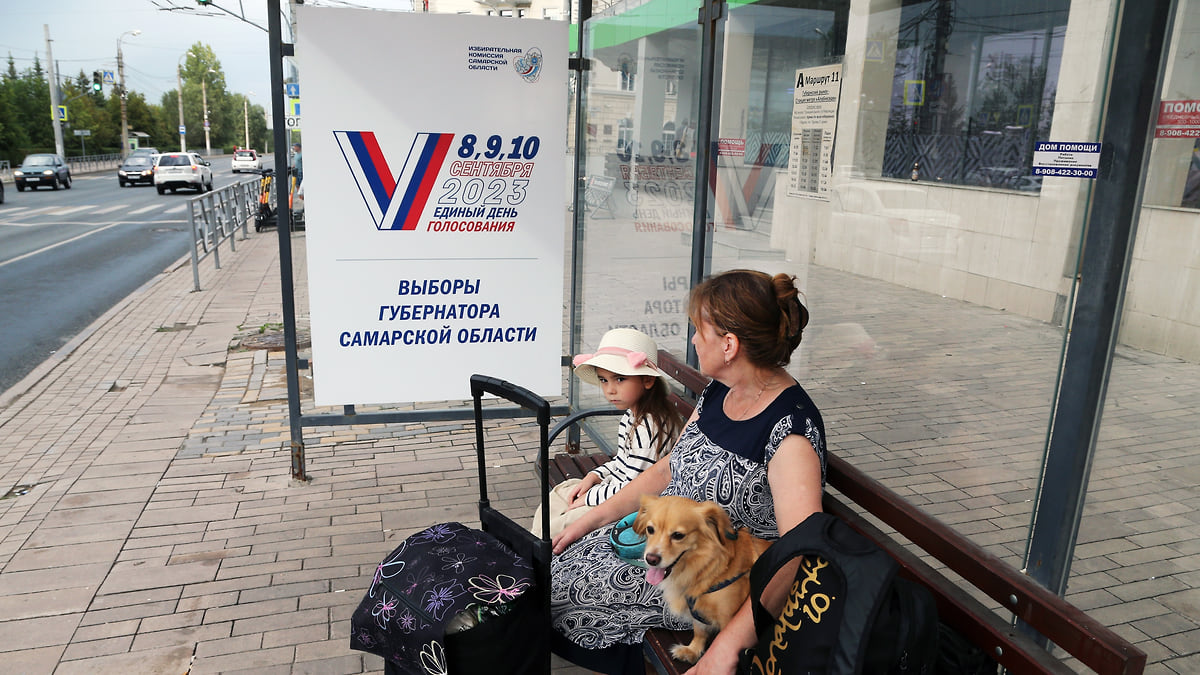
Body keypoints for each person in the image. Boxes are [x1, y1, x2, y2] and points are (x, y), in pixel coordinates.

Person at [549, 269, 826, 675]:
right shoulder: (721, 390)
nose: (694, 340)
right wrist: (590, 520)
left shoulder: (790, 430)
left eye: (699, 329)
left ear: (729, 344)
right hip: (668, 546)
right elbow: (667, 469)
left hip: (715, 580)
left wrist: (725, 650)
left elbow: (796, 554)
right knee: (552, 565)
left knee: (561, 590)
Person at [531, 328, 684, 539]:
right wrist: (594, 476)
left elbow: (633, 489)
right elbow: (622, 462)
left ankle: (537, 548)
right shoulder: (633, 415)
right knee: (559, 494)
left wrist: (589, 498)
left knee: (559, 525)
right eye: (604, 380)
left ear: (647, 380)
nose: (610, 389)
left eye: (619, 379)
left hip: (629, 507)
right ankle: (535, 542)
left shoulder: (649, 428)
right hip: (614, 490)